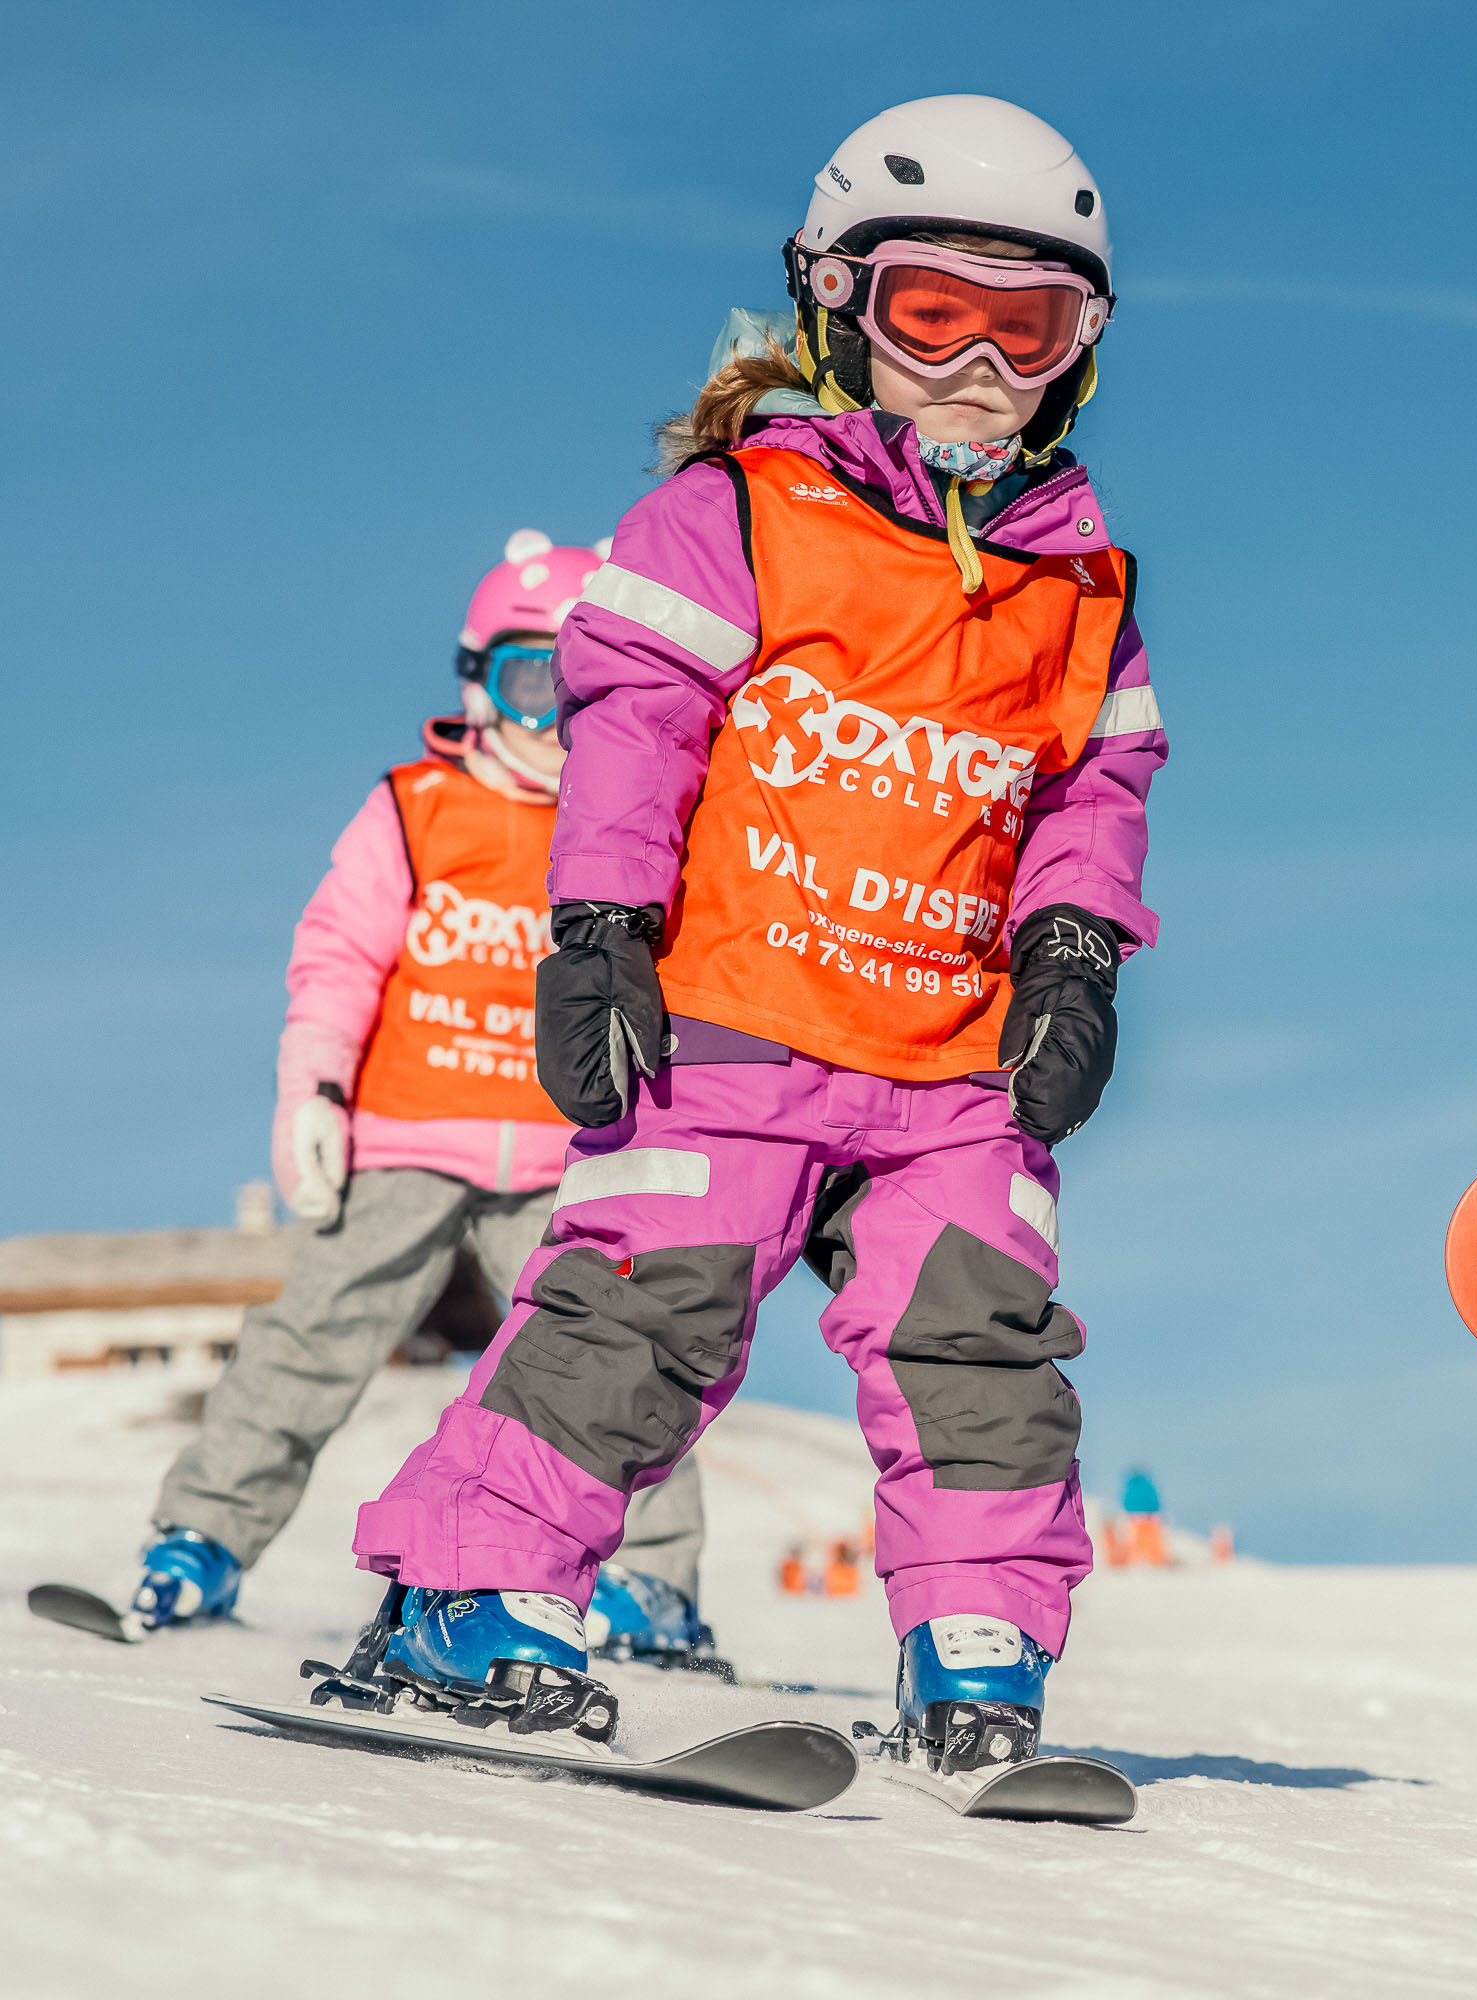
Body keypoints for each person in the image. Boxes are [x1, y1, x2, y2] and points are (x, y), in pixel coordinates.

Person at [346, 95, 1168, 1771]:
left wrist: (1074, 961)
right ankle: (473, 1590)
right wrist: (596, 928)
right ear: (839, 307)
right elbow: (637, 727)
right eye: (938, 315)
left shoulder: (1076, 591)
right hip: (732, 1013)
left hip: (951, 1061)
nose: (980, 369)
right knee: (645, 1310)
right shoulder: (740, 513)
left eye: (1032, 329)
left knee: (984, 1347)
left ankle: (975, 1644)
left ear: (1080, 351)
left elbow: (1092, 795)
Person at [134, 533, 713, 1667]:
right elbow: (340, 953)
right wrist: (315, 1087)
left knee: (613, 1354)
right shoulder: (417, 809)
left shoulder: (630, 834)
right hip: (407, 1131)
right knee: (310, 1338)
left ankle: (650, 1579)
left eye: (583, 686)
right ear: (477, 683)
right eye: (529, 681)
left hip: (561, 1155)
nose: (554, 718)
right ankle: (201, 1536)